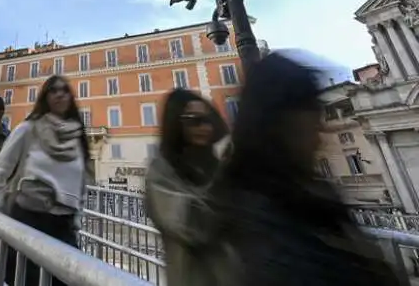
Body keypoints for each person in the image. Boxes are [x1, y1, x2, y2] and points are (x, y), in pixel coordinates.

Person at [213, 53, 401, 286]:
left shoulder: (303, 192)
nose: (320, 128)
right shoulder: (262, 219)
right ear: (280, 122)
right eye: (311, 113)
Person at [0, 75, 90, 286]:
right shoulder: (28, 129)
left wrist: (77, 219)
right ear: (45, 96)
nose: (60, 93)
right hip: (28, 222)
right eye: (53, 90)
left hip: (64, 228)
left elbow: (81, 183)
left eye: (65, 90)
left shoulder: (77, 137)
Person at [144, 89, 230, 286]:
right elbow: (195, 224)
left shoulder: (216, 165)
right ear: (177, 124)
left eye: (208, 120)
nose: (205, 127)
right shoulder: (161, 172)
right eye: (194, 120)